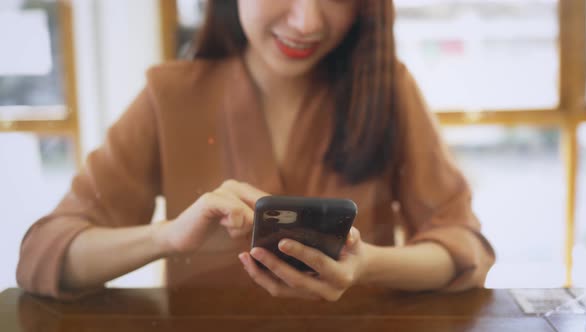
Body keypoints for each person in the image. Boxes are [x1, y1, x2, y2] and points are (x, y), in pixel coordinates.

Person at [16, 0, 495, 301]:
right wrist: (167, 236)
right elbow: (44, 255)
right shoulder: (170, 95)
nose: (307, 21)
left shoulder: (389, 89)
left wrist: (369, 263)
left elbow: (464, 247)